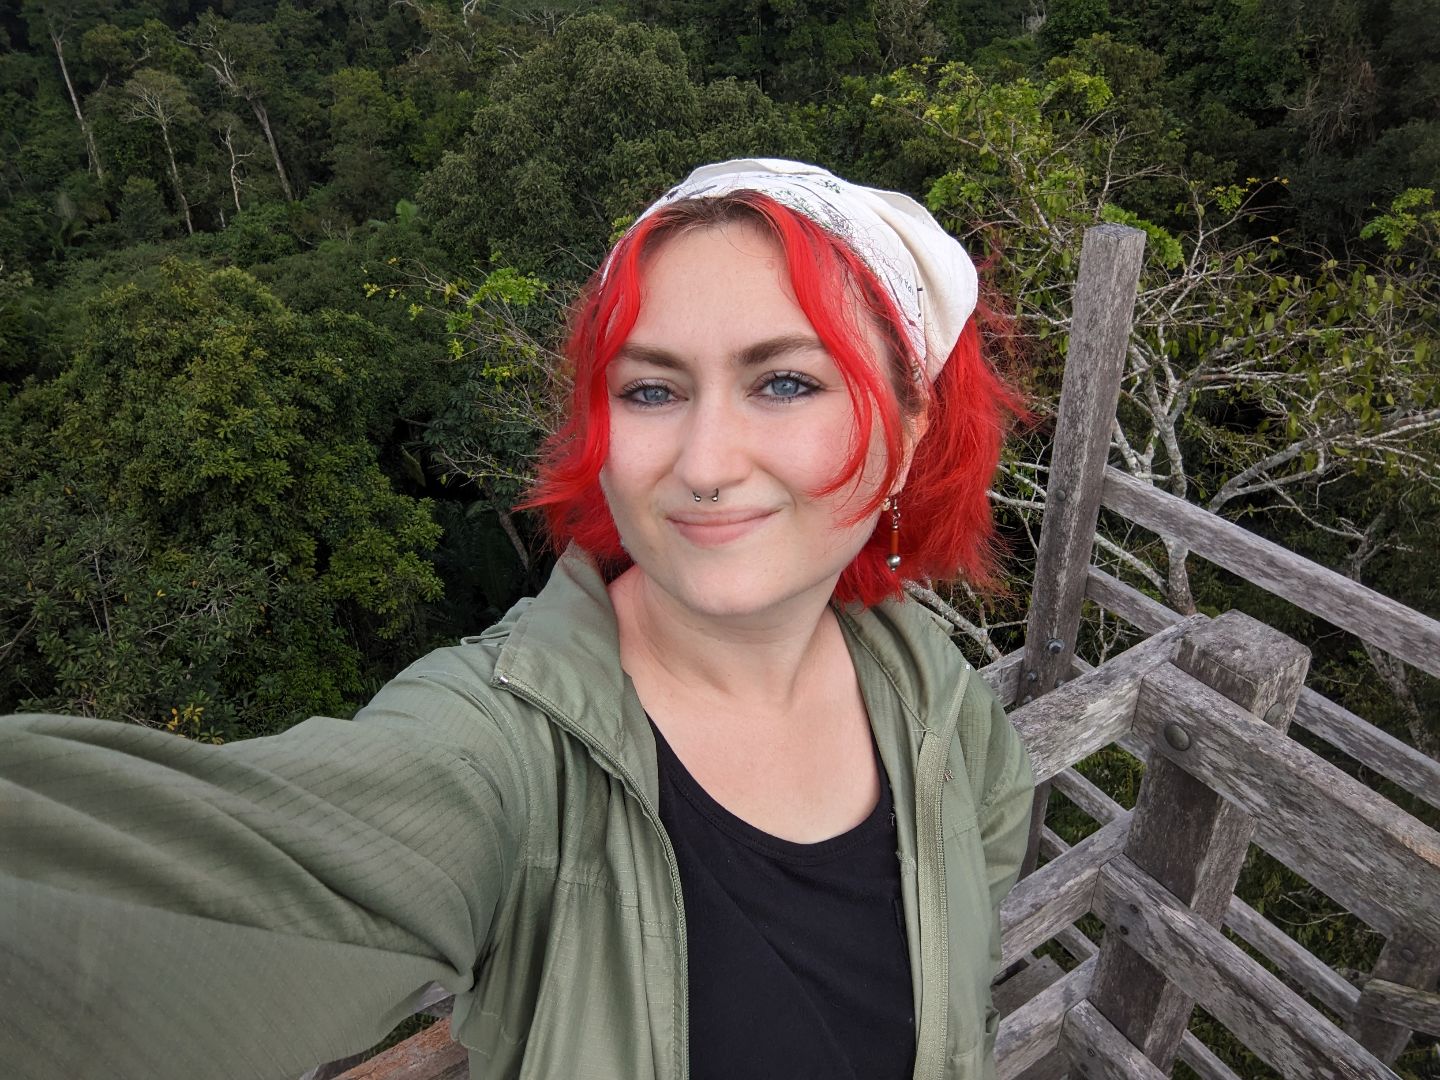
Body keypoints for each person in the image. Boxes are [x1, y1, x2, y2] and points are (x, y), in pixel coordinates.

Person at [0, 159, 1035, 1080]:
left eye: (783, 381)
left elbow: (964, 955)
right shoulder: (504, 752)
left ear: (906, 435)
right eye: (651, 391)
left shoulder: (939, 702)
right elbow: (193, 897)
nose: (706, 464)